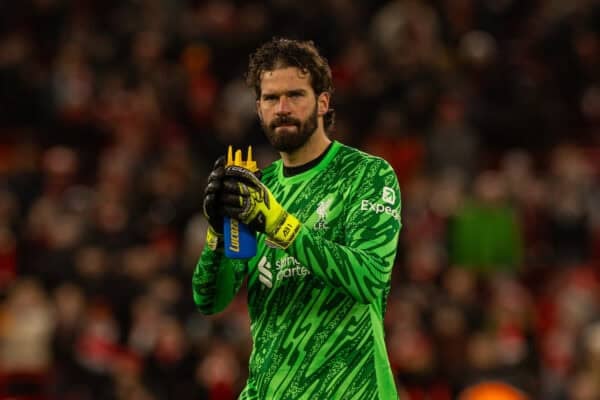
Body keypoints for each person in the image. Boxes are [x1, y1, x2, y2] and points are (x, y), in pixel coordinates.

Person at [193, 37, 403, 400]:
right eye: (271, 99)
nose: (283, 108)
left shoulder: (366, 175)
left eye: (295, 95)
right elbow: (210, 300)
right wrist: (216, 235)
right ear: (258, 109)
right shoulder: (258, 188)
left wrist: (278, 223)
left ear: (322, 102)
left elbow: (370, 279)